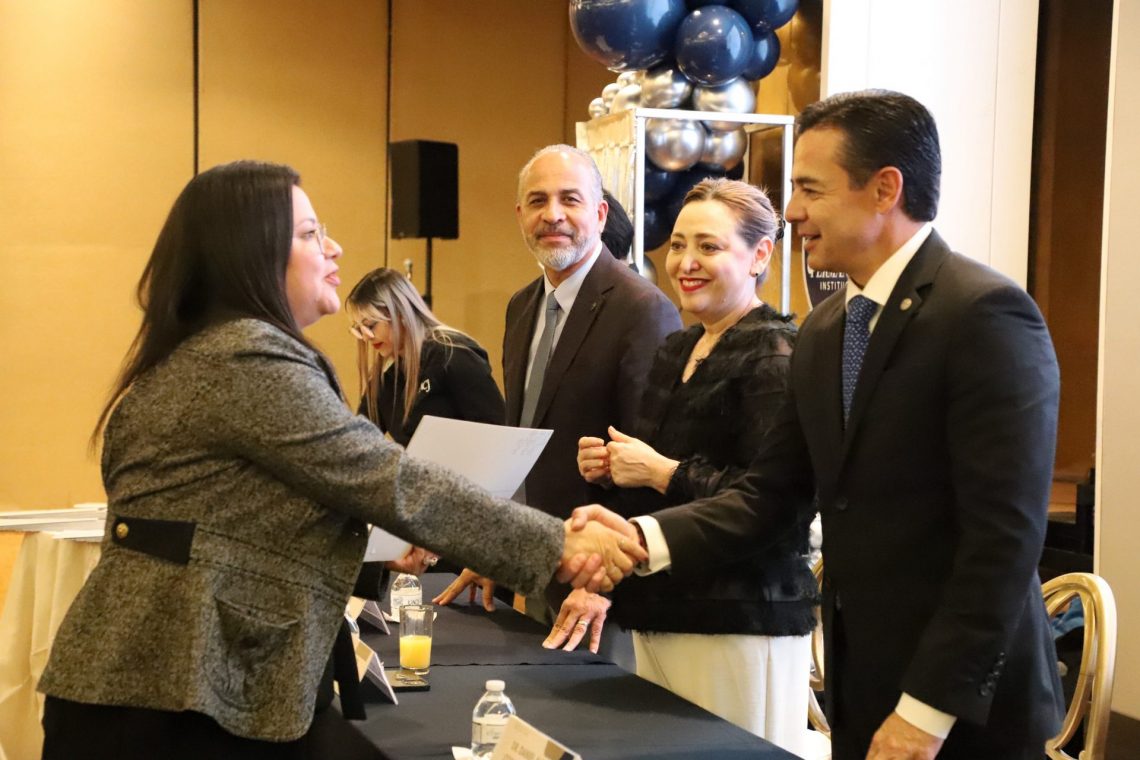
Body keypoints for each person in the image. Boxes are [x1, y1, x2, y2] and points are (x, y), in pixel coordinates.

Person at [36, 160, 644, 759]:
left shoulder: (217, 351)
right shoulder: (246, 361)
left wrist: (378, 542)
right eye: (309, 234)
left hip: (176, 684)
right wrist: (559, 544)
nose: (334, 248)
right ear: (253, 256)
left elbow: (262, 512)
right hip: (165, 695)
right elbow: (390, 480)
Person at [572, 90, 1065, 760]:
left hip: (962, 707)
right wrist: (640, 537)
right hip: (861, 686)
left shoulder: (984, 315)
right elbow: (771, 495)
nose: (793, 210)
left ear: (885, 189)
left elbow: (1003, 542)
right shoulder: (829, 327)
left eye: (810, 188)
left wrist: (926, 712)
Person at [546, 178, 817, 751]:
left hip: (740, 619)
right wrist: (612, 469)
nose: (686, 263)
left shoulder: (775, 351)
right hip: (660, 610)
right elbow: (654, 477)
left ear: (760, 255)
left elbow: (773, 502)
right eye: (677, 245)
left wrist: (659, 471)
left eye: (709, 247)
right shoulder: (677, 348)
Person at [436, 146, 680, 629]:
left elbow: (650, 462)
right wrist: (500, 549)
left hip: (604, 592)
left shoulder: (642, 310)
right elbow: (522, 439)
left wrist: (598, 581)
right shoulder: (521, 306)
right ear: (520, 215)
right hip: (538, 569)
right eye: (537, 201)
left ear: (600, 213)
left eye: (570, 199)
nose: (552, 215)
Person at [345, 266, 504, 577]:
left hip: (474, 526)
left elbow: (499, 442)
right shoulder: (386, 380)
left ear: (400, 313)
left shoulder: (453, 355)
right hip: (423, 527)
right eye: (358, 328)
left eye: (371, 325)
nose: (366, 336)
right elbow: (356, 446)